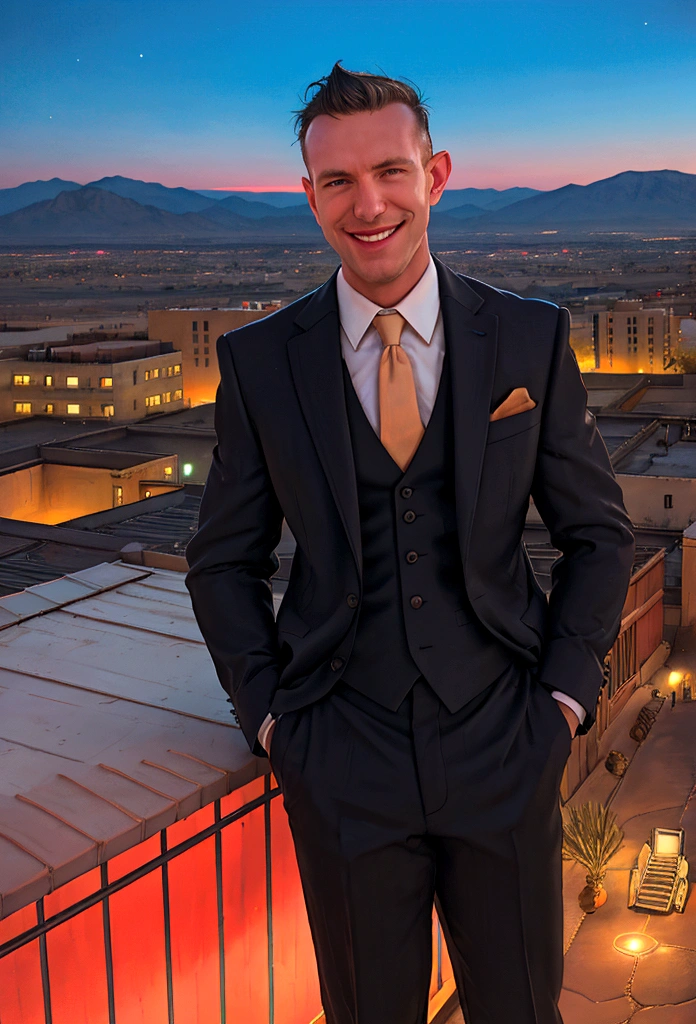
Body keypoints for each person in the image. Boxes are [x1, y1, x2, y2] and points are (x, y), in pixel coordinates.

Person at [186, 63, 635, 1024]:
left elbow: (599, 534)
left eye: (390, 171)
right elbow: (222, 559)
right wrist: (272, 720)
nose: (369, 203)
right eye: (338, 182)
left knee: (521, 1010)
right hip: (340, 753)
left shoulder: (528, 338)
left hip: (505, 739)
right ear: (308, 196)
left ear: (435, 173)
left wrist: (561, 699)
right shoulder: (261, 361)